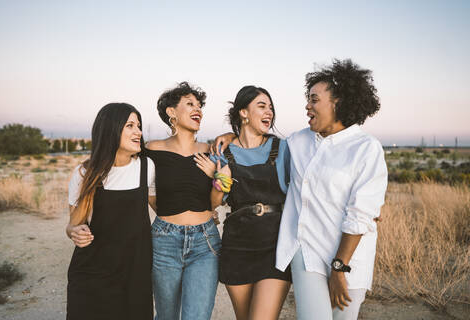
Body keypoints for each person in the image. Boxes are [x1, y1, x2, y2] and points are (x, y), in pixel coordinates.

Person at [275, 59, 388, 320]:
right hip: (308, 252)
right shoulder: (297, 142)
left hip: (351, 261)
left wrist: (339, 267)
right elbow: (260, 143)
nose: (307, 105)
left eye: (314, 99)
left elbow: (361, 212)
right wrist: (232, 136)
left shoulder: (366, 148)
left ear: (337, 103)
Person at [206, 85, 291, 320]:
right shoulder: (222, 151)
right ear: (243, 113)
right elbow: (213, 203)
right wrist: (219, 180)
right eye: (262, 106)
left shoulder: (283, 148)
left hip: (274, 247)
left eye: (271, 108)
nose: (269, 112)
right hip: (237, 247)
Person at [66, 103, 155, 320]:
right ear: (111, 130)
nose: (139, 132)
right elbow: (73, 225)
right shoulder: (85, 173)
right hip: (93, 273)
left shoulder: (147, 167)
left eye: (139, 126)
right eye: (130, 125)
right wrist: (75, 232)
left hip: (136, 273)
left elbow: (164, 209)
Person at [143, 82, 221, 320]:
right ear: (171, 112)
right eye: (190, 104)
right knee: (166, 316)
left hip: (205, 243)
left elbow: (215, 201)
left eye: (199, 106)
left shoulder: (211, 151)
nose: (198, 109)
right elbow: (150, 195)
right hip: (164, 242)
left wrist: (215, 176)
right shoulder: (152, 150)